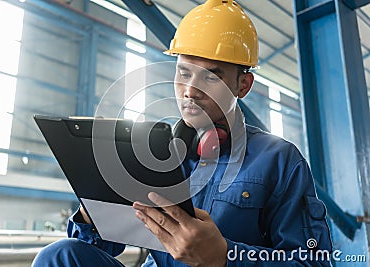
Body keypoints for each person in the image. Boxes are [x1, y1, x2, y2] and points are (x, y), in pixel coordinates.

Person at [32, 0, 332, 266]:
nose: (190, 91)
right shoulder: (153, 152)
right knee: (60, 256)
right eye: (184, 73)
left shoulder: (279, 160)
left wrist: (224, 257)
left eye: (211, 76)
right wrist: (94, 208)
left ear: (244, 85)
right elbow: (101, 247)